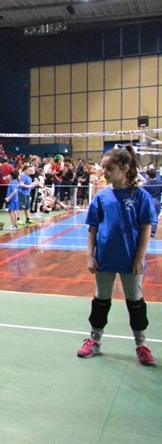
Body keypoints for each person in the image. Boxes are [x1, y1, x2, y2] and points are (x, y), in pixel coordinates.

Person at [77, 146, 156, 366]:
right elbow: (92, 229)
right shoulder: (101, 197)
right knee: (101, 301)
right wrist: (90, 256)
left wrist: (139, 259)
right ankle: (94, 340)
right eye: (103, 168)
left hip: (130, 261)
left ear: (125, 169)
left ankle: (141, 345)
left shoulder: (140, 196)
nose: (105, 172)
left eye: (109, 168)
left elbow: (146, 229)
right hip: (104, 259)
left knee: (135, 303)